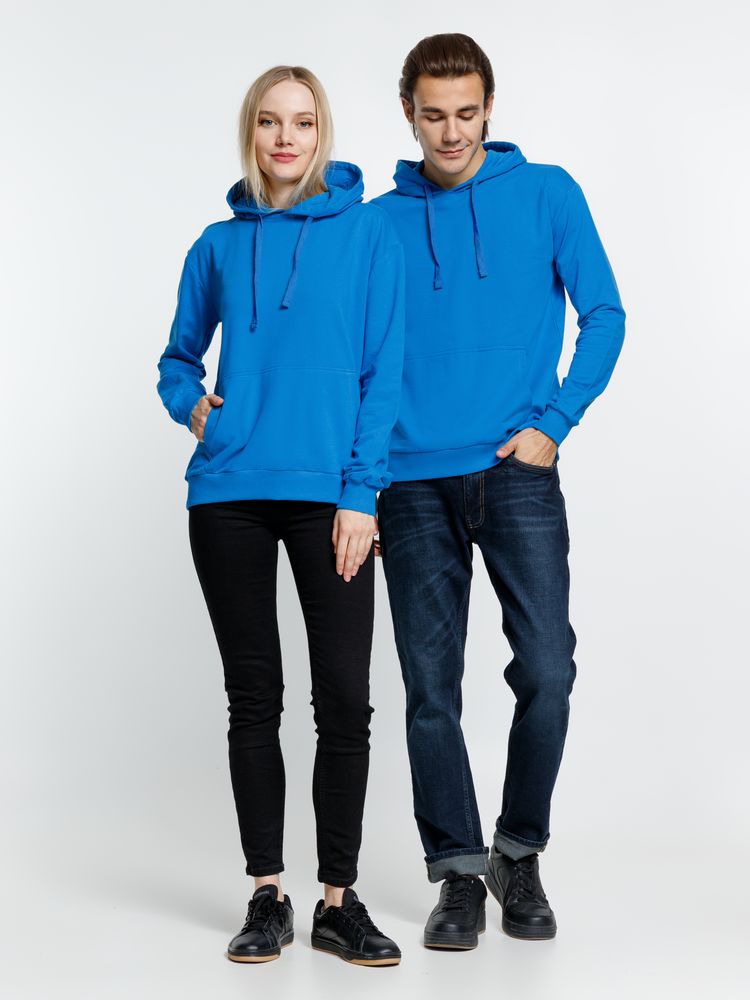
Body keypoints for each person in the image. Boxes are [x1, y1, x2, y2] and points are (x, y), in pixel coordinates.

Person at [371, 33, 626, 948]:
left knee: (548, 670)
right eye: (434, 115)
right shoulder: (377, 222)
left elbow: (605, 314)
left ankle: (518, 853)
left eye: (467, 113)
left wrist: (554, 423)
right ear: (408, 112)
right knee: (429, 689)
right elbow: (343, 349)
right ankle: (456, 872)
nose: (452, 132)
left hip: (517, 470)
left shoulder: (547, 193)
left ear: (489, 108)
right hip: (408, 480)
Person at [156, 65, 405, 967]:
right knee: (253, 697)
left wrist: (360, 493)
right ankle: (268, 894)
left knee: (344, 699)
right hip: (228, 494)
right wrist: (192, 406)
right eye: (270, 122)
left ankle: (339, 901)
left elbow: (383, 370)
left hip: (330, 498)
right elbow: (176, 359)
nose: (286, 138)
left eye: (302, 122)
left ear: (321, 131)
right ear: (252, 134)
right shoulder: (218, 246)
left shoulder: (370, 233)